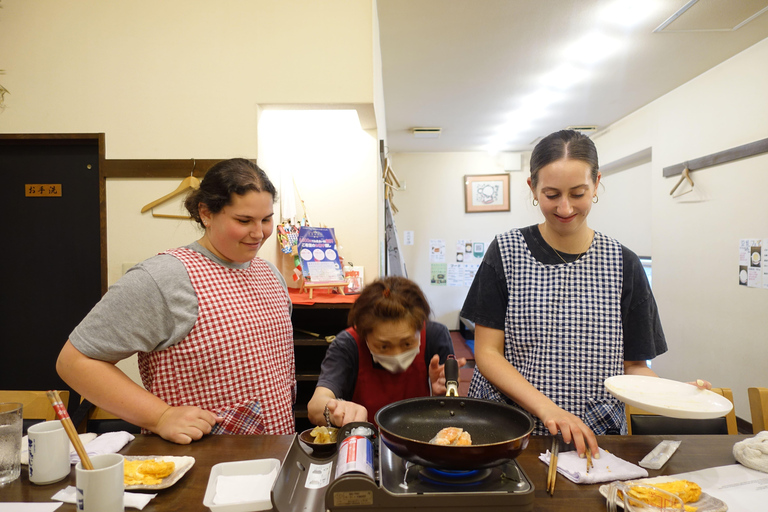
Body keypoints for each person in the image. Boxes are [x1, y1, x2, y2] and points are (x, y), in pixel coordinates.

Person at [461, 130, 710, 458]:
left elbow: (634, 365)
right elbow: (488, 354)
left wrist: (676, 394)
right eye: (551, 195)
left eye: (578, 193)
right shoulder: (505, 252)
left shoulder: (624, 264)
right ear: (532, 188)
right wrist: (550, 410)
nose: (565, 208)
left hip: (595, 432)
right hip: (510, 427)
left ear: (596, 184)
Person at [56, 158, 295, 444]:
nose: (259, 233)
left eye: (266, 219)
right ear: (206, 213)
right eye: (244, 221)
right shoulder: (164, 277)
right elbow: (74, 361)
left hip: (274, 454)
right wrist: (160, 416)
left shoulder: (269, 275)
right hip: (199, 462)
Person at [307, 276, 466, 427]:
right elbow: (315, 407)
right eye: (384, 346)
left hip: (421, 440)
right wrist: (337, 410)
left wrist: (440, 394)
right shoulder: (348, 344)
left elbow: (451, 414)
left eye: (407, 343)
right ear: (364, 335)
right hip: (364, 443)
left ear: (420, 327)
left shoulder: (435, 336)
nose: (396, 354)